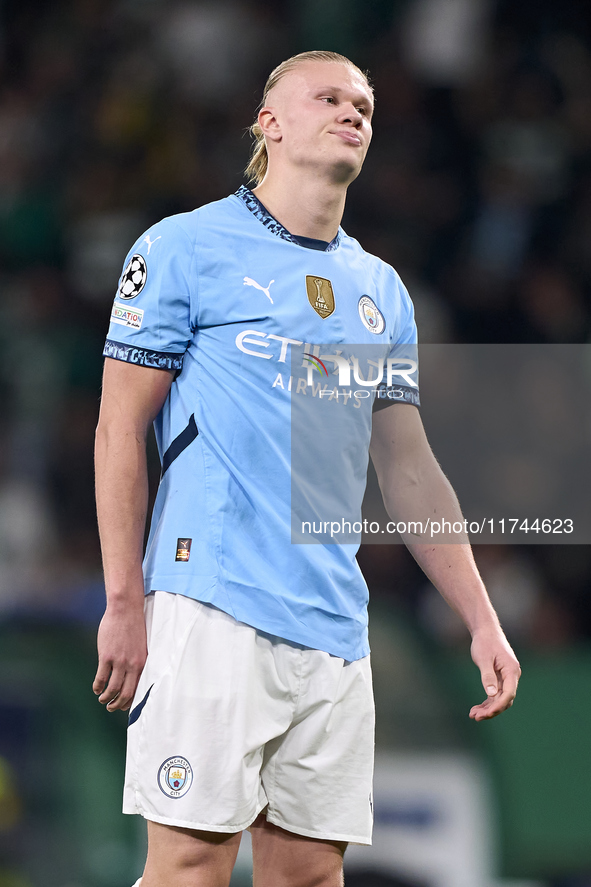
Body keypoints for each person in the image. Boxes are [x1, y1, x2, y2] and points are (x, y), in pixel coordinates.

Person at [93, 50, 521, 887]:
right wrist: (123, 600)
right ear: (270, 123)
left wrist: (480, 616)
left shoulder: (379, 291)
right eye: (327, 97)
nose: (353, 111)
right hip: (208, 601)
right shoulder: (183, 248)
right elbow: (118, 431)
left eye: (363, 103)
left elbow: (408, 468)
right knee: (188, 863)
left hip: (331, 624)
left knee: (310, 877)